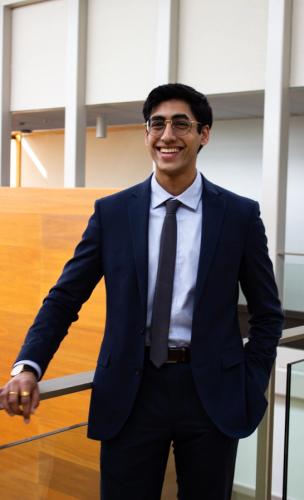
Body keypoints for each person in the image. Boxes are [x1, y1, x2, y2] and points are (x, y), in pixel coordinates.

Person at [0, 83, 284, 500]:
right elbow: (64, 299)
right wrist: (28, 366)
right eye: (157, 124)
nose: (168, 135)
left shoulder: (239, 215)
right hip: (131, 393)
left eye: (181, 124)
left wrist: (250, 378)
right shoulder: (113, 213)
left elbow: (268, 313)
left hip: (211, 394)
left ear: (203, 134)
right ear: (147, 133)